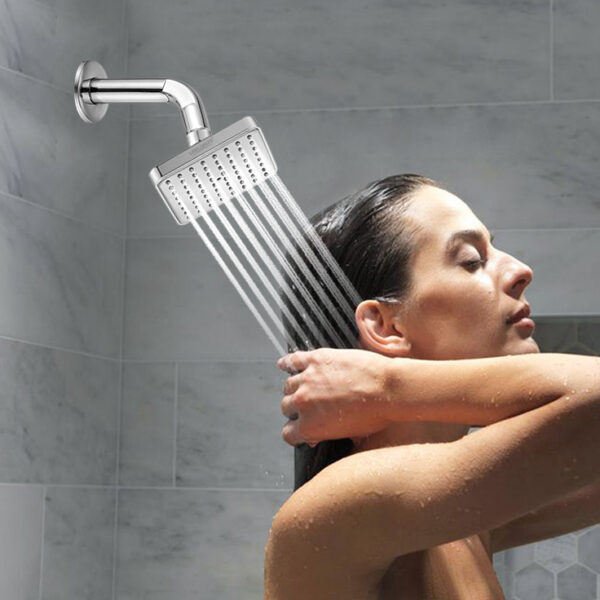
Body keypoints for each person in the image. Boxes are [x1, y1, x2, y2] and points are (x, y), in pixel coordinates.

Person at [262, 174, 600, 599]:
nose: (520, 270)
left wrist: (388, 387)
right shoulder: (341, 504)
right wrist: (388, 386)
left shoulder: (456, 521)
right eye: (472, 260)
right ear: (386, 326)